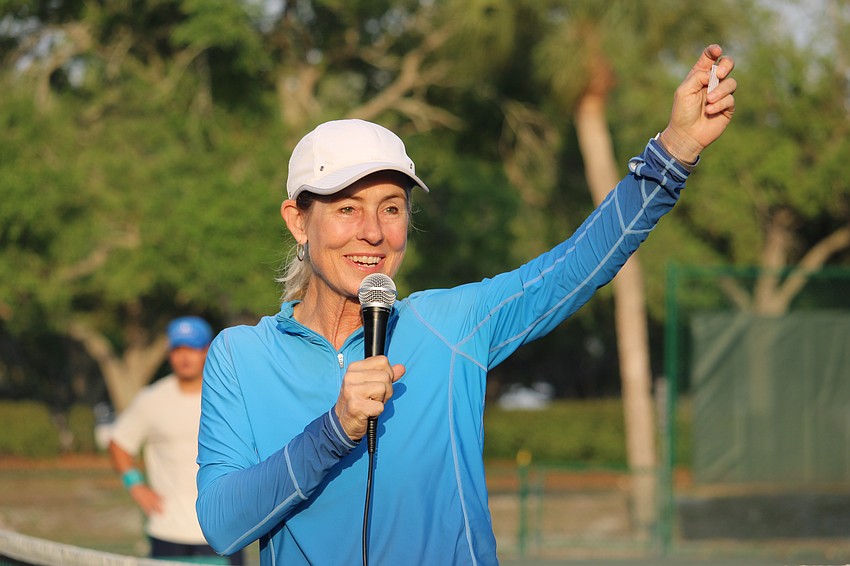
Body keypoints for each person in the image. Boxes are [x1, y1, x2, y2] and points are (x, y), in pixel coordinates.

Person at [196, 44, 737, 565]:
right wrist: (333, 431)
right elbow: (223, 527)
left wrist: (675, 150)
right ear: (298, 221)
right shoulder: (241, 357)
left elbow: (575, 266)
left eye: (391, 208)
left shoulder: (450, 326)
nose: (372, 233)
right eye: (346, 209)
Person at [109, 316, 244, 565]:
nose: (184, 357)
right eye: (178, 349)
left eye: (192, 349)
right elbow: (118, 443)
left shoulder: (230, 395)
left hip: (223, 530)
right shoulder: (152, 399)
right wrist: (136, 485)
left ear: (206, 351)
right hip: (168, 530)